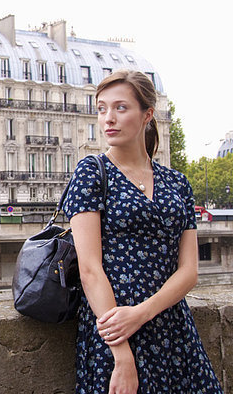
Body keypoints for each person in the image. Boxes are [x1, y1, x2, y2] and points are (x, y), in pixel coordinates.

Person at [62, 69, 223, 393]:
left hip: (171, 327)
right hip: (115, 334)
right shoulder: (92, 172)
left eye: (120, 108)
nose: (108, 118)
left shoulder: (176, 182)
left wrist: (141, 313)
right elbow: (90, 270)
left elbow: (189, 270)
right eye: (102, 108)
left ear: (148, 114)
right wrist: (122, 355)